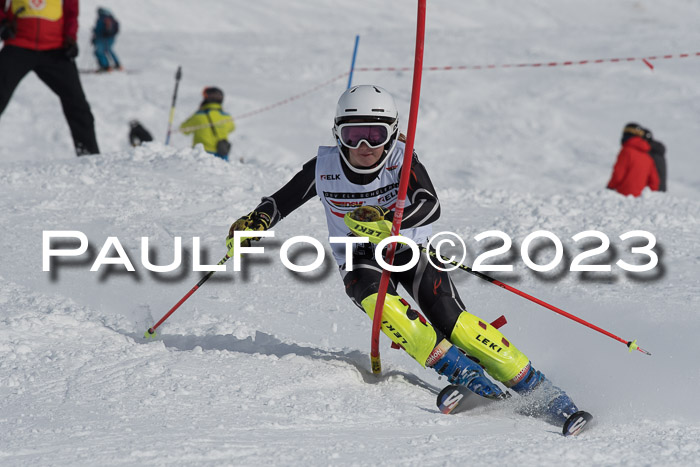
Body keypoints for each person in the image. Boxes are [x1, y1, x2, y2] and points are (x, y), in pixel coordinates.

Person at [224, 85, 583, 426]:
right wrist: (256, 221)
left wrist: (388, 221)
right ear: (338, 135)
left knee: (454, 322)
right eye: (353, 136)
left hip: (407, 248)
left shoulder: (402, 160)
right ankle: (462, 373)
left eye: (375, 135)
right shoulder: (324, 167)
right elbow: (280, 201)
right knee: (383, 306)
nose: (364, 145)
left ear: (393, 133)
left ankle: (540, 390)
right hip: (358, 256)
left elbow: (431, 205)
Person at [0, 0, 99, 156]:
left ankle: (88, 155)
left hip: (55, 49)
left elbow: (71, 11)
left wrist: (70, 38)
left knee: (77, 104)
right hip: (18, 44)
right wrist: (3, 22)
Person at [179, 87, 235, 161]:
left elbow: (183, 129)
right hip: (222, 156)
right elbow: (232, 128)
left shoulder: (199, 116)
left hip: (201, 156)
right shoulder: (226, 117)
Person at [606, 123, 659, 197]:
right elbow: (654, 182)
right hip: (640, 199)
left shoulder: (626, 151)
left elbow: (618, 174)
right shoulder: (648, 157)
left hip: (622, 196)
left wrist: (610, 187)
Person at [91, 7, 120, 72]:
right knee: (108, 50)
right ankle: (117, 64)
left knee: (99, 52)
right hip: (109, 38)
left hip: (102, 39)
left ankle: (105, 66)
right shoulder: (110, 18)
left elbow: (99, 30)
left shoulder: (102, 19)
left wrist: (95, 33)